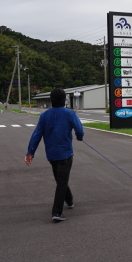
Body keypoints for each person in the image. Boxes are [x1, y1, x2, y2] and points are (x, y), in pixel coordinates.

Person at [25, 88, 84, 222]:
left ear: (51, 100)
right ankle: (57, 212)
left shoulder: (44, 115)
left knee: (60, 179)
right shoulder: (69, 113)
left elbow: (37, 134)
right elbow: (79, 128)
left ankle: (69, 200)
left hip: (51, 154)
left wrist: (30, 152)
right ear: (64, 100)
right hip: (65, 153)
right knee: (61, 181)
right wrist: (79, 137)